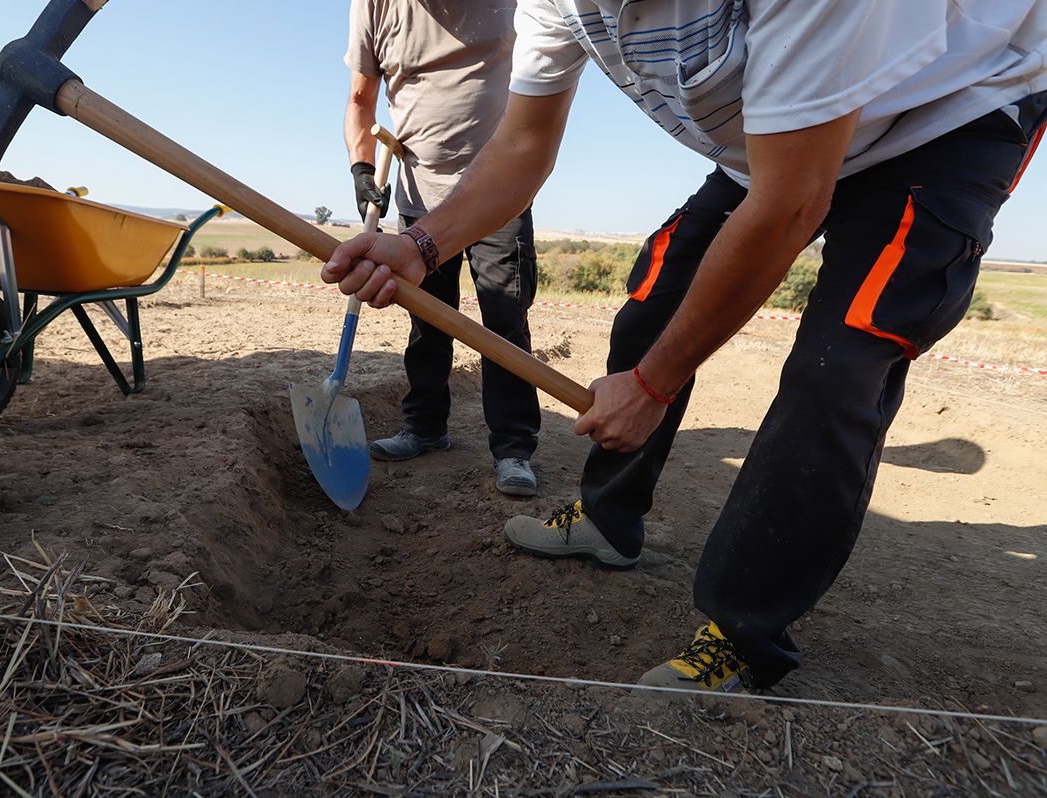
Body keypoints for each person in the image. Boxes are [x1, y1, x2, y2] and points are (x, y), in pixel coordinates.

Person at [324, 0, 1047, 693]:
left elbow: (792, 203)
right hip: (780, 139)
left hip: (950, 111)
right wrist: (421, 245)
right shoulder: (555, 1)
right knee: (652, 306)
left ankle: (745, 634)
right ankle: (610, 521)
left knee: (841, 360)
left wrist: (657, 385)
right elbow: (521, 145)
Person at [344, 0, 543, 497]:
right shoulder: (373, 5)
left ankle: (514, 447)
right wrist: (361, 168)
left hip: (498, 199)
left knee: (504, 320)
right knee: (427, 321)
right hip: (418, 199)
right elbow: (360, 100)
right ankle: (426, 427)